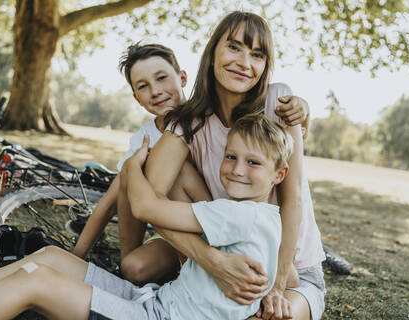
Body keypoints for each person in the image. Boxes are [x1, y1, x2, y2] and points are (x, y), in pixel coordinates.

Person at [0, 114, 296, 320]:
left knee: (36, 280)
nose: (237, 169)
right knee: (52, 257)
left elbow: (146, 206)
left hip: (159, 316)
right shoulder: (267, 219)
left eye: (252, 162)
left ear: (279, 174)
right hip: (157, 300)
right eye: (231, 157)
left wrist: (133, 166)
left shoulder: (238, 214)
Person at [128, 11, 326, 320]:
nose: (245, 62)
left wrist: (276, 286)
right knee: (169, 172)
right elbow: (152, 201)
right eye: (234, 47)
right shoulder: (189, 121)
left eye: (257, 54)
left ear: (264, 66)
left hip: (292, 272)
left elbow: (293, 199)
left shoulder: (280, 102)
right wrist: (212, 261)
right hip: (229, 255)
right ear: (212, 52)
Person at [72, 41, 312, 285]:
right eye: (143, 86)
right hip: (183, 226)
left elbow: (279, 140)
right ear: (136, 98)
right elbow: (112, 200)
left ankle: (202, 272)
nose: (156, 91)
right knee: (133, 264)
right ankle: (128, 275)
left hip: (224, 218)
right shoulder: (145, 138)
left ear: (183, 77)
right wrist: (77, 256)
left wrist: (304, 111)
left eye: (162, 78)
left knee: (156, 173)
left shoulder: (208, 114)